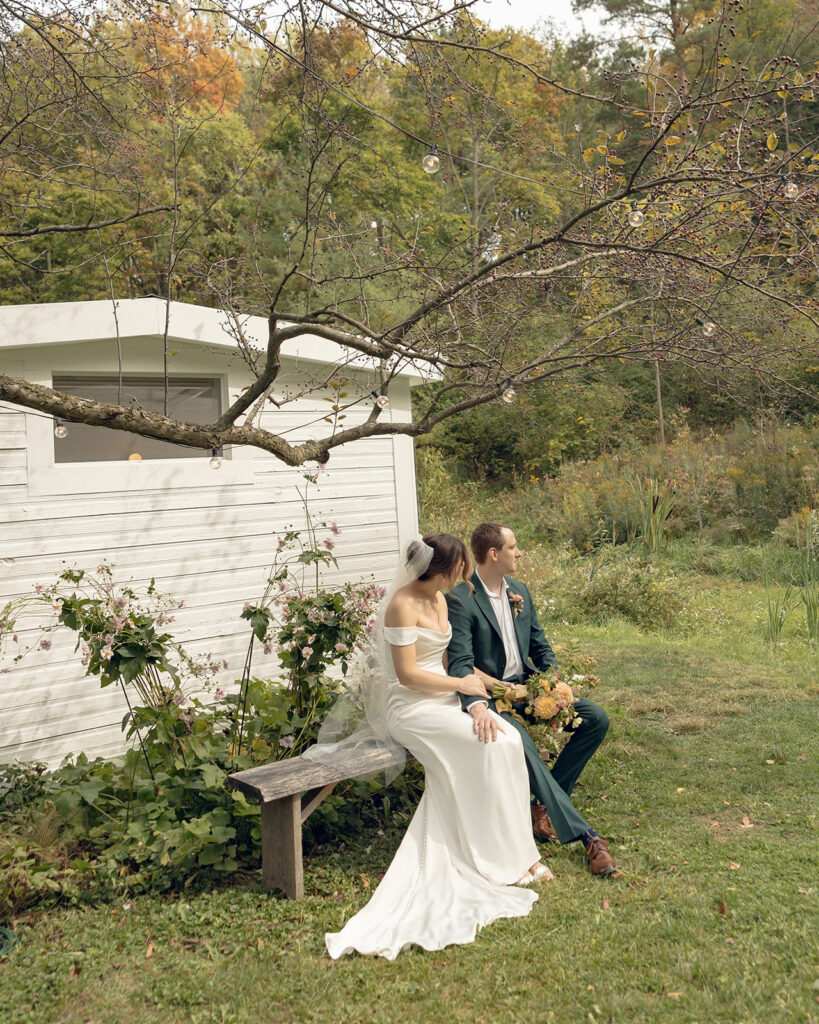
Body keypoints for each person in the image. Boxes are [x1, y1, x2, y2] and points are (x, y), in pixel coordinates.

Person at [318, 533, 552, 961]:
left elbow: (453, 664)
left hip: (446, 697)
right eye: (457, 566)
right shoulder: (402, 604)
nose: (461, 574)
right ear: (439, 569)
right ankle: (496, 859)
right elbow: (408, 675)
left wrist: (478, 698)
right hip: (410, 708)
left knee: (508, 740)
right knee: (483, 747)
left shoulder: (443, 601)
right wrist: (461, 686)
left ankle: (520, 853)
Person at [446, 522, 618, 877]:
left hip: (529, 687)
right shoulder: (461, 599)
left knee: (595, 719)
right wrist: (492, 695)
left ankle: (542, 805)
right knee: (519, 740)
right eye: (513, 546)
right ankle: (588, 836)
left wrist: (552, 683)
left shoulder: (519, 590)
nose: (519, 552)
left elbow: (540, 647)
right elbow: (461, 664)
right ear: (494, 554)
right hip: (493, 697)